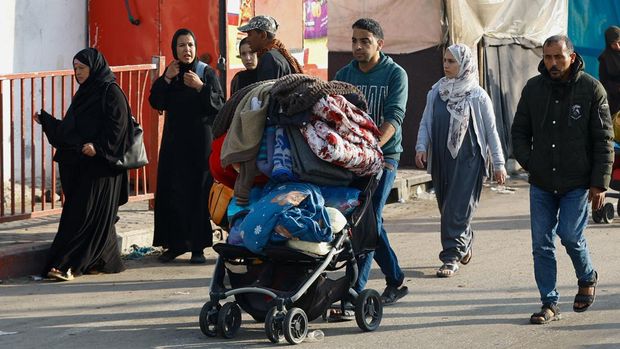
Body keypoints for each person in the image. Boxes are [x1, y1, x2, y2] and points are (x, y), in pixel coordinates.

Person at [511, 35, 614, 324]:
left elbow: (604, 140)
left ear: (572, 56)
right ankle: (549, 303)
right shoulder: (533, 89)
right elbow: (519, 132)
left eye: (558, 57)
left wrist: (599, 183)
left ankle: (586, 275)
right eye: (547, 57)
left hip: (577, 182)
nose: (552, 63)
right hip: (542, 182)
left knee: (570, 235)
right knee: (541, 244)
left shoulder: (591, 89)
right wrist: (530, 162)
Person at [34, 48, 129, 281]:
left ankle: (68, 265)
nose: (77, 73)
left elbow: (120, 129)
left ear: (94, 67)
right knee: (89, 217)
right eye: (75, 68)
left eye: (82, 68)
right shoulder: (84, 94)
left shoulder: (111, 92)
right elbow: (71, 131)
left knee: (82, 217)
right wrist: (47, 121)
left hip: (103, 167)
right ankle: (102, 261)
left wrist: (99, 148)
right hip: (85, 166)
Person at [334, 18, 408, 306]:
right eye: (354, 40)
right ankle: (395, 277)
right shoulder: (343, 74)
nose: (358, 46)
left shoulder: (395, 74)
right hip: (351, 158)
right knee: (363, 217)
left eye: (365, 40)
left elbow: (394, 117)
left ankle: (355, 290)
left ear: (380, 43)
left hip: (384, 156)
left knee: (367, 217)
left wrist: (374, 146)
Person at [415, 43, 506, 278]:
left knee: (457, 208)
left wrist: (499, 163)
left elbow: (491, 131)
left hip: (469, 159)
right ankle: (464, 239)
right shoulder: (436, 92)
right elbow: (426, 122)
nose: (446, 65)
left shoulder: (477, 95)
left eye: (451, 61)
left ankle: (450, 256)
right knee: (447, 207)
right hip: (443, 160)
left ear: (464, 64)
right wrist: (421, 147)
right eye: (444, 61)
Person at [149, 28, 225, 264]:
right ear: (175, 49)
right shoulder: (170, 73)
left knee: (197, 193)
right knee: (172, 190)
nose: (187, 50)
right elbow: (156, 101)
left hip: (199, 142)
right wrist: (167, 78)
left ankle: (197, 248)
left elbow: (219, 105)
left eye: (190, 45)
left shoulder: (206, 73)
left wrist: (201, 87)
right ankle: (174, 244)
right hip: (174, 141)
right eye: (182, 45)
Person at [237, 15, 303, 81]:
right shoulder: (277, 54)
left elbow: (267, 90)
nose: (247, 39)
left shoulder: (269, 58)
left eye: (250, 34)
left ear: (263, 35)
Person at [599, 26, 620, 116]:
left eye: (619, 42)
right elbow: (603, 81)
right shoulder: (604, 58)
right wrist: (617, 88)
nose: (618, 46)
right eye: (614, 44)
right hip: (614, 99)